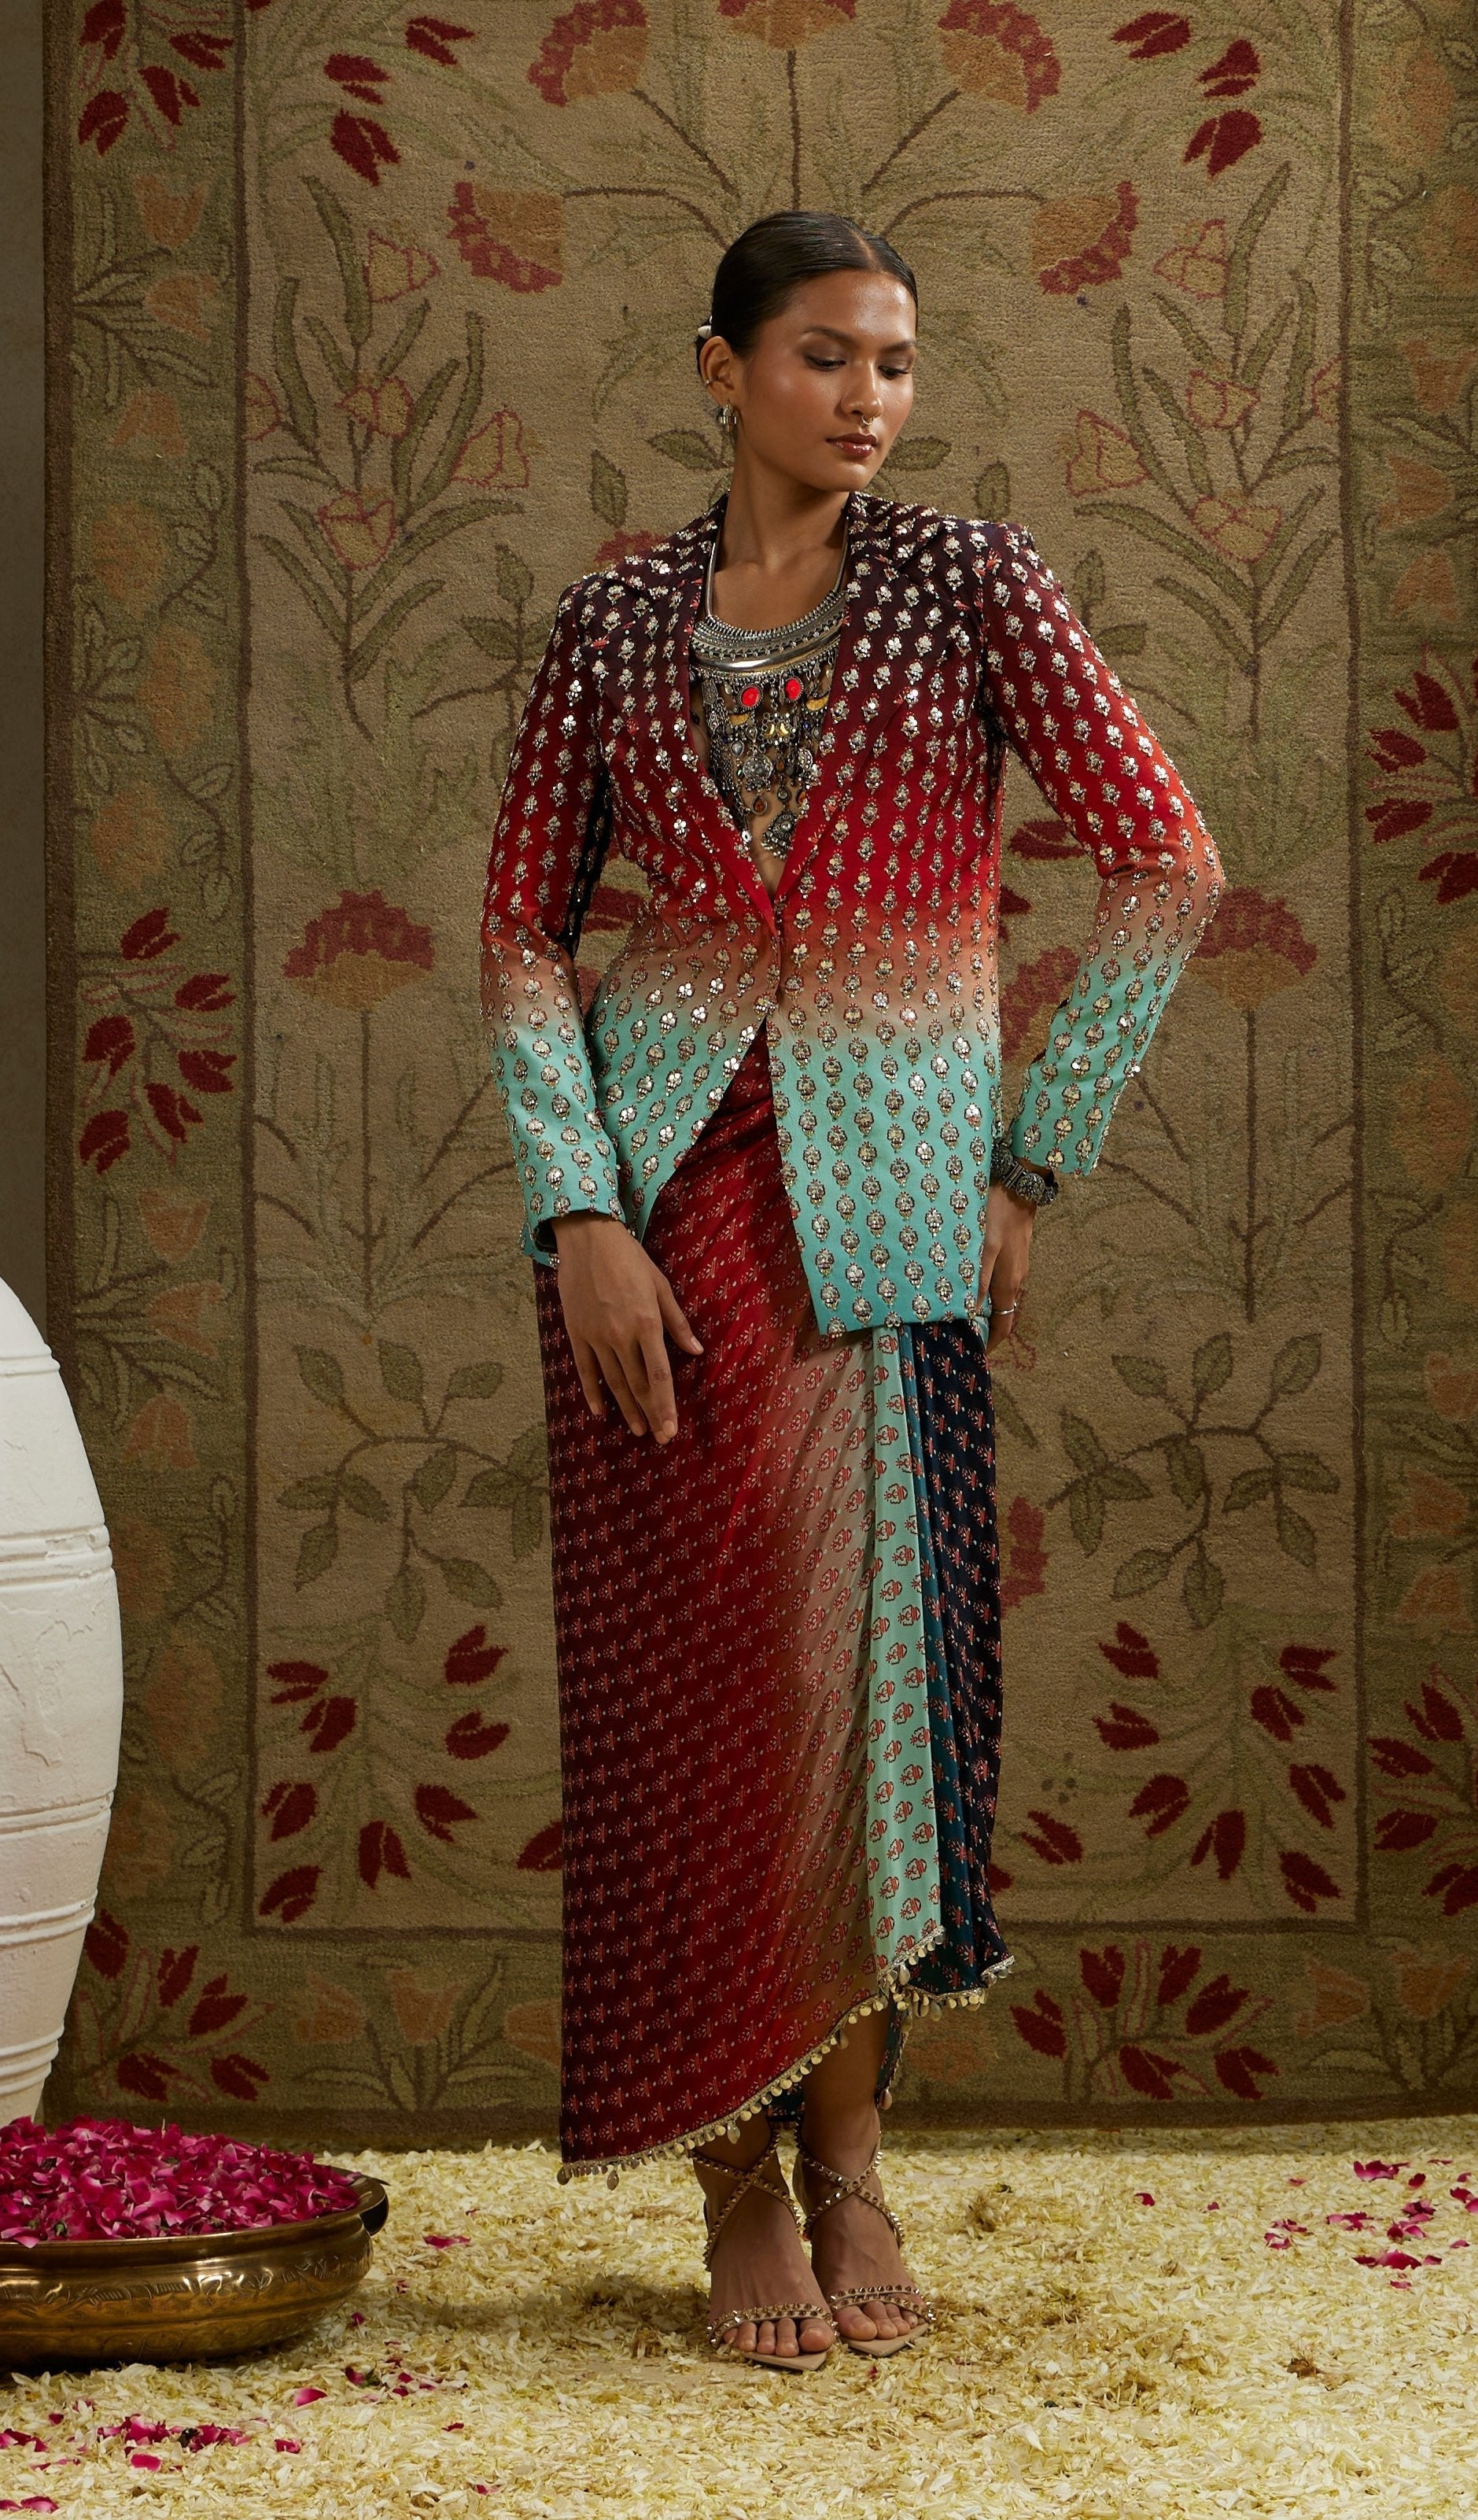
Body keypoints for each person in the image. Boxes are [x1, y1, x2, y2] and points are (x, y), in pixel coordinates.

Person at [479, 209, 1225, 2372]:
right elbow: (523, 926)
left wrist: (1030, 1154)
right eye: (825, 356)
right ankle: (734, 2177)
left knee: (871, 1676)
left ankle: (852, 2159)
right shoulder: (614, 619)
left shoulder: (972, 584)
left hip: (890, 1198)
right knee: (706, 1679)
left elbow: (1168, 862)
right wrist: (577, 1212)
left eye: (896, 361)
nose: (870, 398)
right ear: (722, 370)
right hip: (657, 1198)